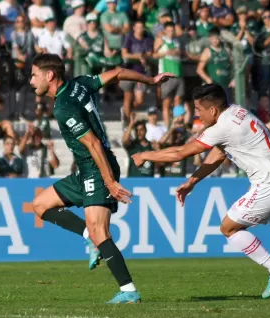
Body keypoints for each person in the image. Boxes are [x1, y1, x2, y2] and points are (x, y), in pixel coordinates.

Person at [131, 84, 270, 301]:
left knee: (228, 228)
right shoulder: (238, 112)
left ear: (212, 110)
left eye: (198, 110)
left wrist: (145, 155)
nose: (196, 115)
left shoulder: (222, 127)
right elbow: (218, 155)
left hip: (269, 184)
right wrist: (193, 181)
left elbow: (181, 152)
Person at [28, 53, 173, 304]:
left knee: (101, 232)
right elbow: (117, 72)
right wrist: (150, 80)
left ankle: (129, 290)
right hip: (85, 170)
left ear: (49, 75)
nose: (31, 81)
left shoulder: (64, 107)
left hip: (97, 167)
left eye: (33, 75)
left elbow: (93, 144)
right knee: (40, 205)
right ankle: (89, 239)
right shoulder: (80, 83)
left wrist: (109, 182)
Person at [154, 21, 183, 127]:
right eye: (169, 30)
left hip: (178, 73)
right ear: (165, 31)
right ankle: (167, 127)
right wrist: (166, 52)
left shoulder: (176, 40)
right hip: (166, 75)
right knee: (166, 102)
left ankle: (177, 126)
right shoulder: (161, 40)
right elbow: (154, 54)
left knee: (178, 100)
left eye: (172, 30)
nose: (171, 32)